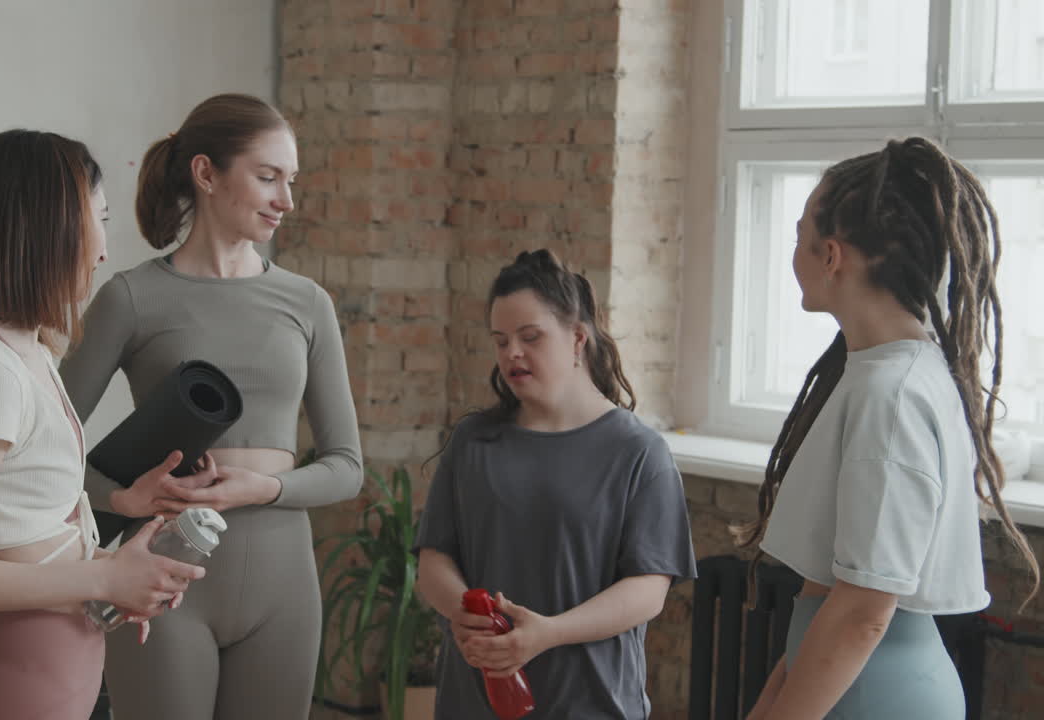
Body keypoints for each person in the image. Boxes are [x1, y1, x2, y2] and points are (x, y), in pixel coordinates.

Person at [59, 93, 363, 720]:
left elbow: (347, 467)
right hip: (160, 578)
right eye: (268, 176)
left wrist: (263, 488)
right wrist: (119, 500)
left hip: (284, 589)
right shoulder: (131, 299)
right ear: (205, 173)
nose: (287, 199)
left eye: (291, 180)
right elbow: (45, 453)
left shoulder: (309, 304)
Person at [0, 129, 200, 720]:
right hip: (1, 695)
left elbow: (22, 516)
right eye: (100, 220)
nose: (104, 249)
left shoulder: (25, 348)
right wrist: (104, 580)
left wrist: (115, 548)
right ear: (51, 224)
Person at [735, 137, 1041, 720]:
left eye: (798, 236)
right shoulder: (885, 374)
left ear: (831, 256)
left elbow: (864, 612)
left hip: (874, 694)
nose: (791, 253)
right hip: (852, 684)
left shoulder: (891, 396)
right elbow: (828, 592)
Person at [413, 249, 697, 719]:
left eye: (530, 337)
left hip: (591, 702)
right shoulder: (473, 440)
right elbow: (434, 559)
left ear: (578, 338)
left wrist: (549, 632)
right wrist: (460, 611)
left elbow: (648, 590)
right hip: (474, 703)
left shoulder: (638, 452)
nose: (512, 354)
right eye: (500, 341)